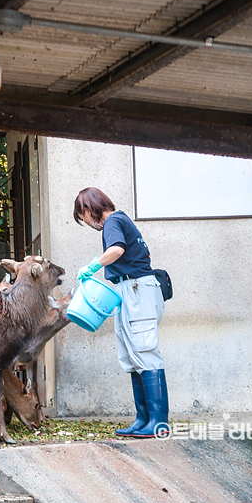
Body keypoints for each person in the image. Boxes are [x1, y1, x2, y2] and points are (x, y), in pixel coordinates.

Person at [73, 187, 169, 438]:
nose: (86, 222)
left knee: (145, 351)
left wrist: (93, 266)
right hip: (129, 290)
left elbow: (116, 250)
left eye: (83, 216)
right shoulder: (120, 220)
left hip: (138, 289)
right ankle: (143, 419)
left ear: (88, 208)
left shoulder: (112, 221)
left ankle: (158, 423)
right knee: (132, 355)